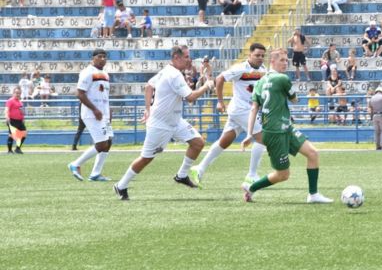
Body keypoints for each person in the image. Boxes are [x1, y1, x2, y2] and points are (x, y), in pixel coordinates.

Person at [113, 46, 214, 200]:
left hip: (175, 120)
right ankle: (121, 185)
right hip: (161, 123)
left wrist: (147, 108)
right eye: (186, 57)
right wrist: (207, 86)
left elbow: (148, 86)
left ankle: (181, 175)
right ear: (176, 57)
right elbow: (191, 98)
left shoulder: (167, 70)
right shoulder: (173, 75)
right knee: (146, 158)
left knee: (198, 143)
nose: (189, 60)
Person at [240, 48, 333, 203]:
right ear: (272, 61)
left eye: (286, 60)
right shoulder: (282, 79)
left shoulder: (260, 82)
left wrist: (250, 134)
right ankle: (251, 187)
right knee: (283, 174)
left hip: (285, 128)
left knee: (312, 154)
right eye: (282, 60)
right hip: (275, 133)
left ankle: (313, 194)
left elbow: (254, 108)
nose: (285, 63)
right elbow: (294, 100)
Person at [189, 43, 267, 187]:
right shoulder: (240, 68)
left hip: (245, 110)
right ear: (249, 55)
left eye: (262, 56)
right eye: (257, 55)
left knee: (225, 141)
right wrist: (220, 102)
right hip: (241, 110)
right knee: (262, 138)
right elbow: (219, 78)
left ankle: (199, 168)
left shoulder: (263, 70)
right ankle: (252, 175)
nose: (260, 58)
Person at [67, 49, 113, 181]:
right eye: (100, 56)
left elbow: (104, 95)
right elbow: (79, 93)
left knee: (108, 141)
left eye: (104, 57)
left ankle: (95, 173)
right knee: (102, 144)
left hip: (103, 113)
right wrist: (94, 109)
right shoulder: (88, 72)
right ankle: (75, 164)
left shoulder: (105, 74)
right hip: (91, 114)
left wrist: (108, 111)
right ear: (93, 58)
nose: (102, 59)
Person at [5, 87, 26, 154]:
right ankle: (9, 150)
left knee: (24, 134)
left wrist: (23, 118)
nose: (18, 94)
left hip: (20, 121)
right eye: (16, 93)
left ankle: (17, 149)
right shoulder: (10, 101)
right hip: (12, 120)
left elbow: (22, 112)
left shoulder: (20, 102)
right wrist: (7, 117)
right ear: (13, 93)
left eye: (19, 93)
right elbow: (6, 110)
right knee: (11, 135)